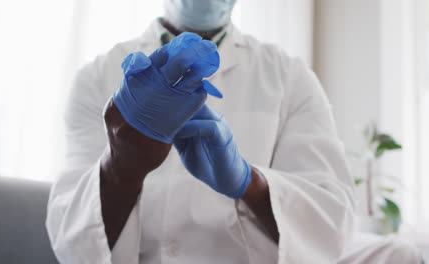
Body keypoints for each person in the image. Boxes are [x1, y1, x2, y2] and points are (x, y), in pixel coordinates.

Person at [46, 0, 423, 263]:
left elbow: (331, 221)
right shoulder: (98, 77)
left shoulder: (288, 76)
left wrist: (249, 182)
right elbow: (73, 242)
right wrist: (120, 170)